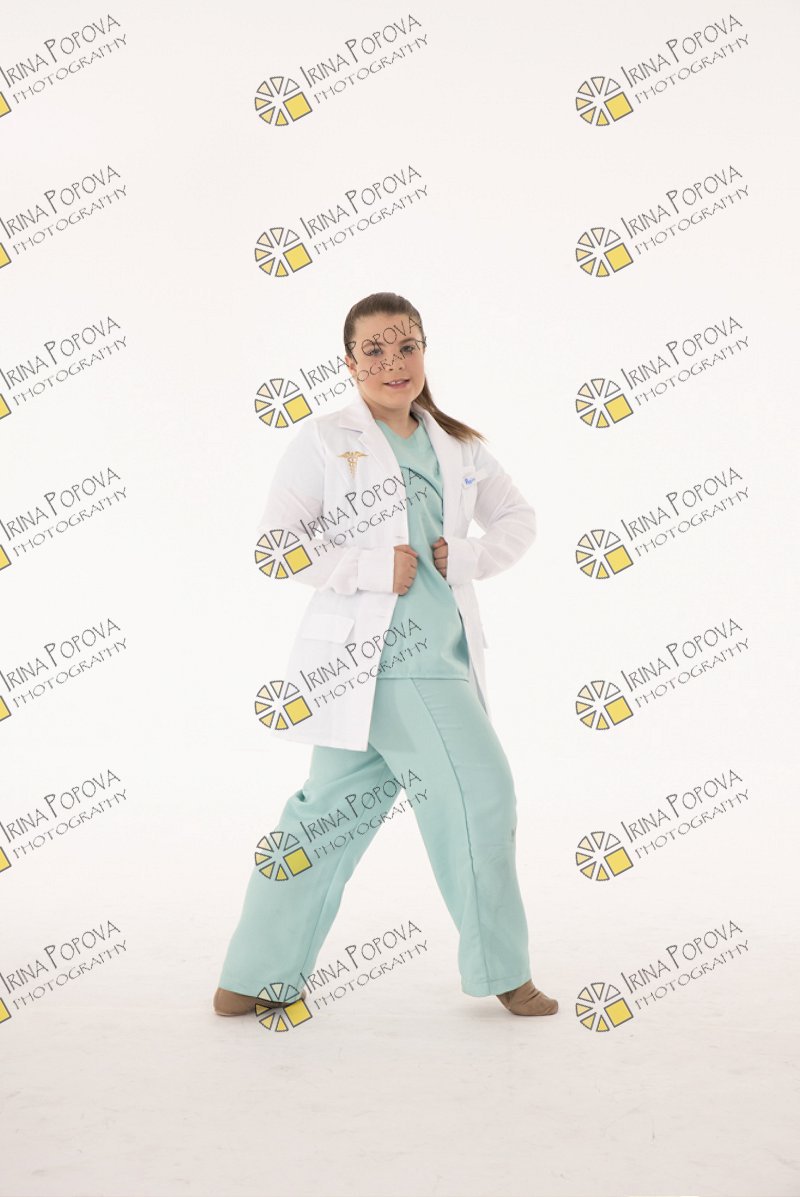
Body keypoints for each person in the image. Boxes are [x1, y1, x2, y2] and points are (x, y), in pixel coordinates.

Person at [213, 291, 558, 1020]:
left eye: (407, 346)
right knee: (482, 795)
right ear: (349, 362)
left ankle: (254, 975)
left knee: (326, 815)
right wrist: (366, 567)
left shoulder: (457, 444)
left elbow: (518, 517)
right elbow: (274, 547)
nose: (393, 362)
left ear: (424, 352)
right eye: (374, 350)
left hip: (436, 654)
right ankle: (503, 970)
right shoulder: (323, 439)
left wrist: (468, 555)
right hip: (398, 662)